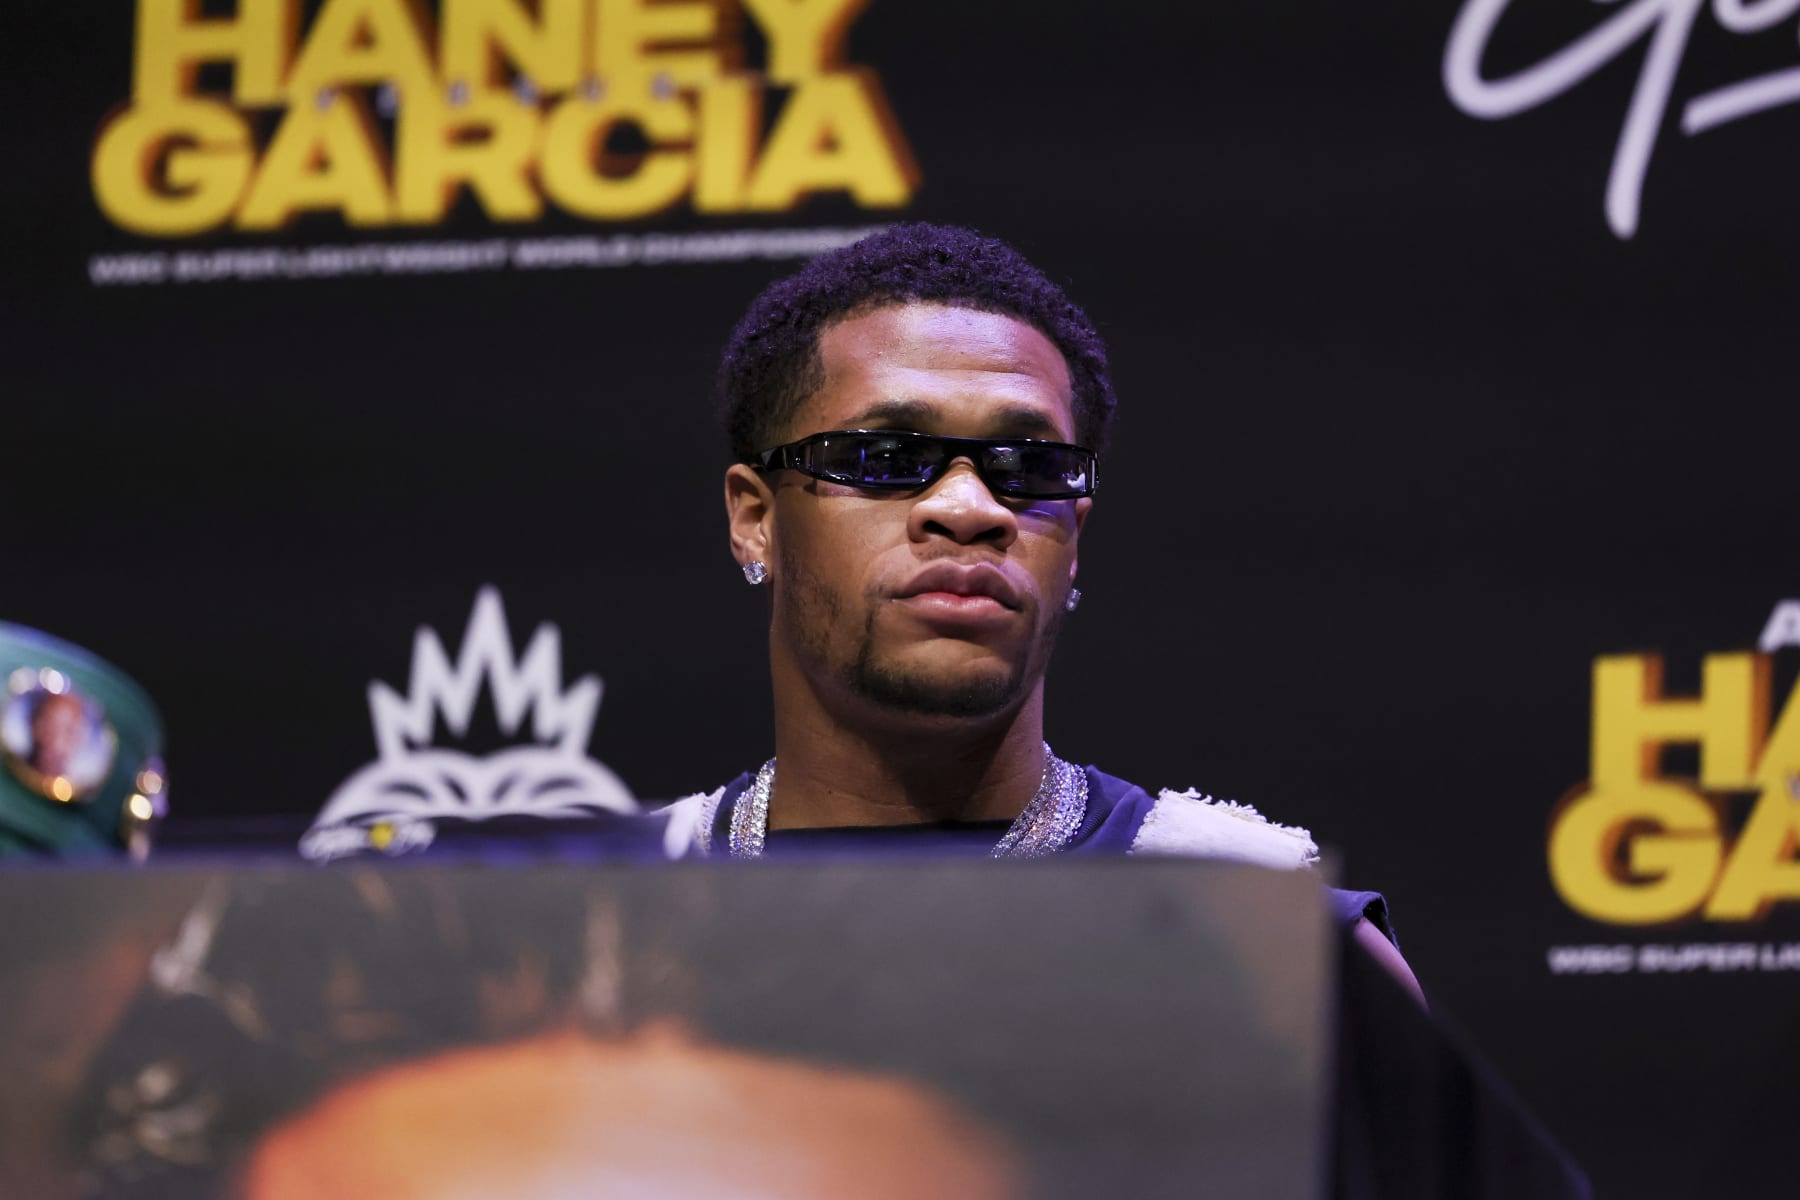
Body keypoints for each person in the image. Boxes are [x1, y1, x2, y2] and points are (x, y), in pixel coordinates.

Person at [652, 222, 1422, 998]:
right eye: (884, 459)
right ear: (755, 519)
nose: (968, 506)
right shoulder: (600, 928)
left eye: (1029, 466)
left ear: (1075, 536)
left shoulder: (1277, 945)